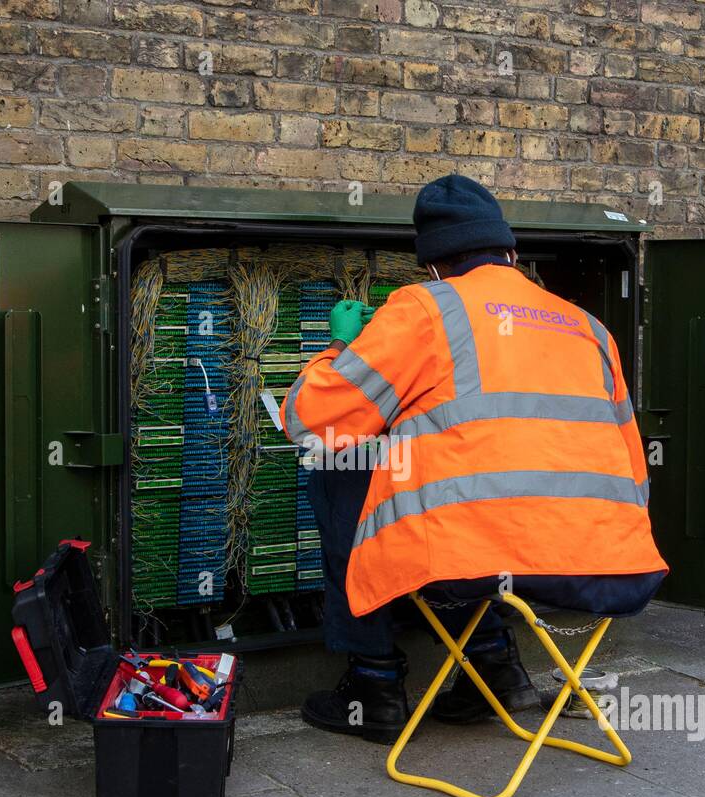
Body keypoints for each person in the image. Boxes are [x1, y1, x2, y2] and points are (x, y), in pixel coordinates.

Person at [281, 174, 668, 743]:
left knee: (336, 471)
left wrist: (342, 346)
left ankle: (374, 686)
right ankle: (493, 665)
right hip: (614, 564)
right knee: (477, 510)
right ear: (513, 254)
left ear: (433, 266)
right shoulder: (588, 325)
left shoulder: (424, 308)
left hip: (483, 560)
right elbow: (634, 465)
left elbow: (312, 423)